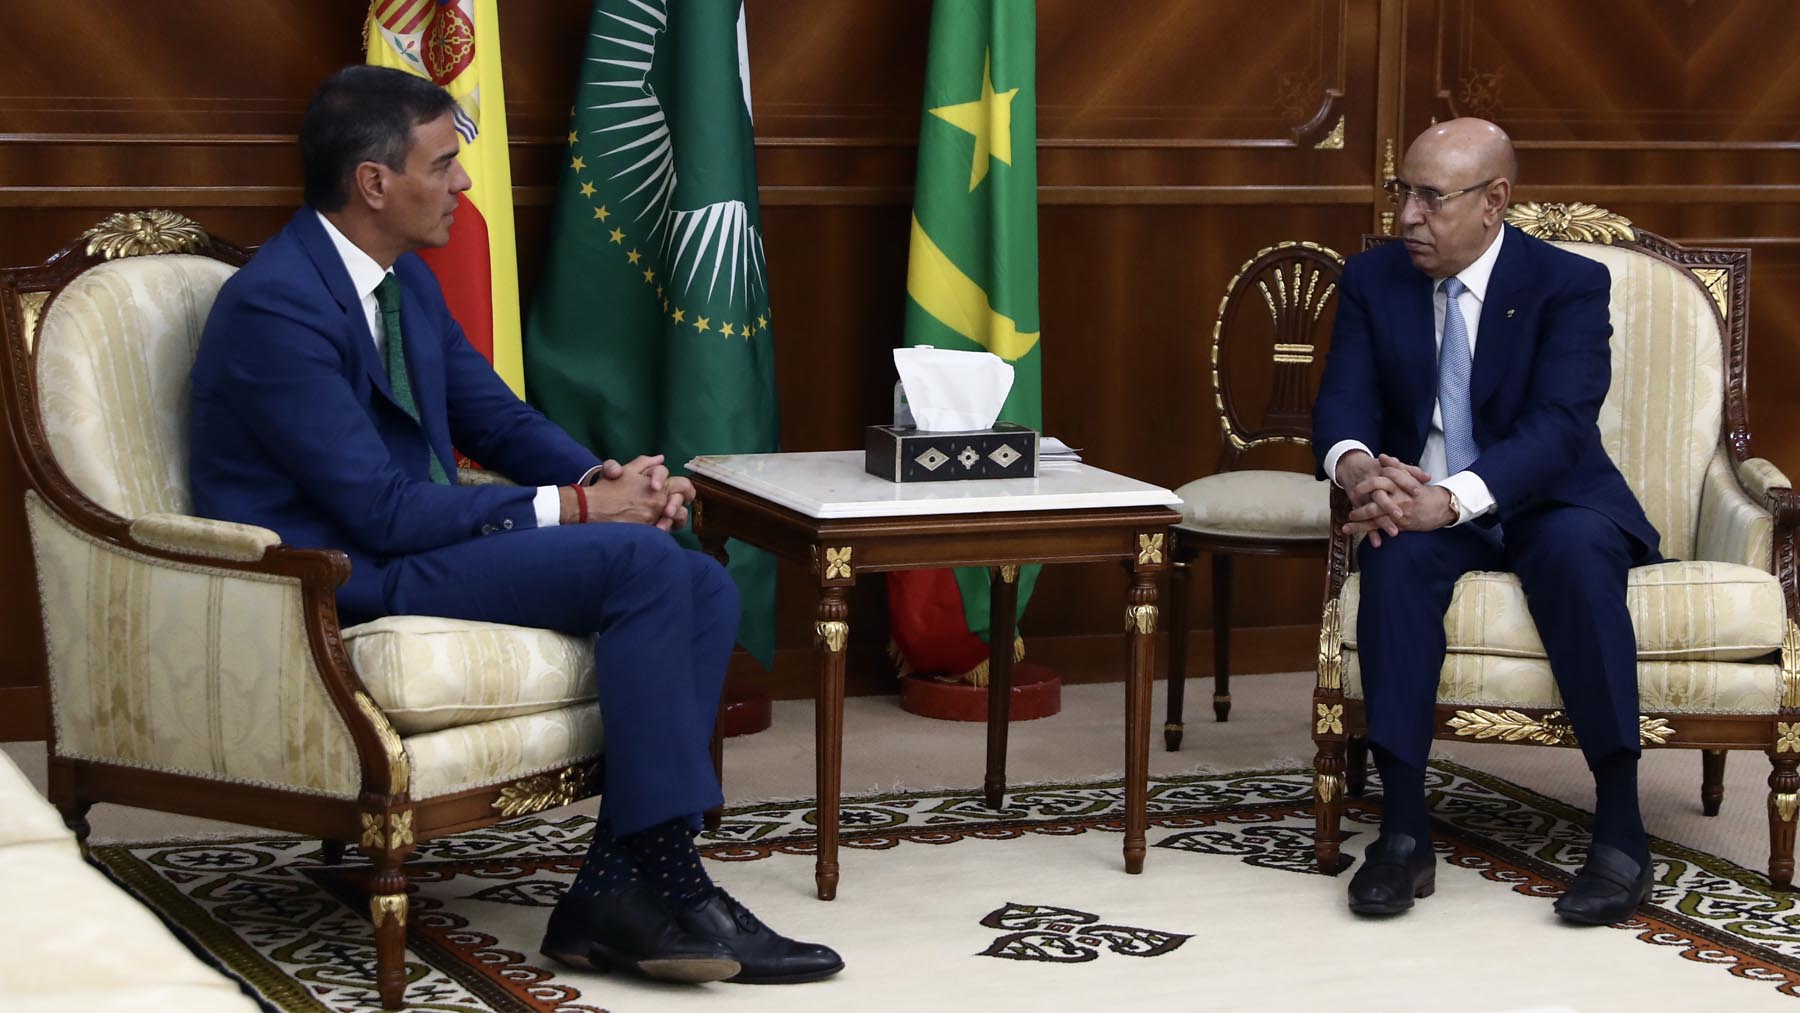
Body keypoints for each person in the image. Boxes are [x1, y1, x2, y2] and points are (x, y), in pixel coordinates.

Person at [188, 65, 842, 985]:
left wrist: (600, 475)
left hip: (416, 545)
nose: (462, 183)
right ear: (373, 183)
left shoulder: (402, 284)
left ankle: (622, 885)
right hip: (341, 569)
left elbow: (495, 418)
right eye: (445, 163)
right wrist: (583, 509)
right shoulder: (277, 305)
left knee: (690, 570)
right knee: (643, 565)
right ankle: (661, 880)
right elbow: (378, 508)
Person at [1312, 118, 1661, 925]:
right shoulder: (1373, 280)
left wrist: (1454, 496)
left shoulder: (1566, 284)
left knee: (1577, 555)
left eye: (1431, 198)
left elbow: (1560, 426)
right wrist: (1364, 471)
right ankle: (1401, 833)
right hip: (1422, 497)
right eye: (1404, 192)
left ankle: (1620, 830)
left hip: (1547, 494)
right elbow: (1341, 404)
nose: (1407, 216)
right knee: (1392, 559)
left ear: (1494, 202)